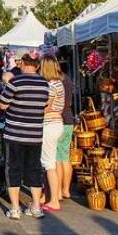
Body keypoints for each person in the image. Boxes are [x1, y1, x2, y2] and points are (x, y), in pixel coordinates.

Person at [0, 54, 49, 220]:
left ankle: (14, 208)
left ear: (24, 64)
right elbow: (45, 106)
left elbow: (3, 105)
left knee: (13, 169)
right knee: (34, 170)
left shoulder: (15, 82)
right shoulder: (44, 84)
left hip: (15, 133)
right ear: (37, 66)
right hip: (35, 134)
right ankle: (36, 206)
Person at [39, 56, 67, 213]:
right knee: (51, 161)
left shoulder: (50, 85)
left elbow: (46, 107)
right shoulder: (59, 84)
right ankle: (48, 196)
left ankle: (54, 200)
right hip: (58, 122)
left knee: (48, 163)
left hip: (49, 124)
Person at [57, 63, 77, 203]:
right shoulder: (67, 79)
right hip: (68, 118)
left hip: (58, 119)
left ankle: (57, 191)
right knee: (65, 156)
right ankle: (66, 190)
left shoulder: (55, 82)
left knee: (57, 157)